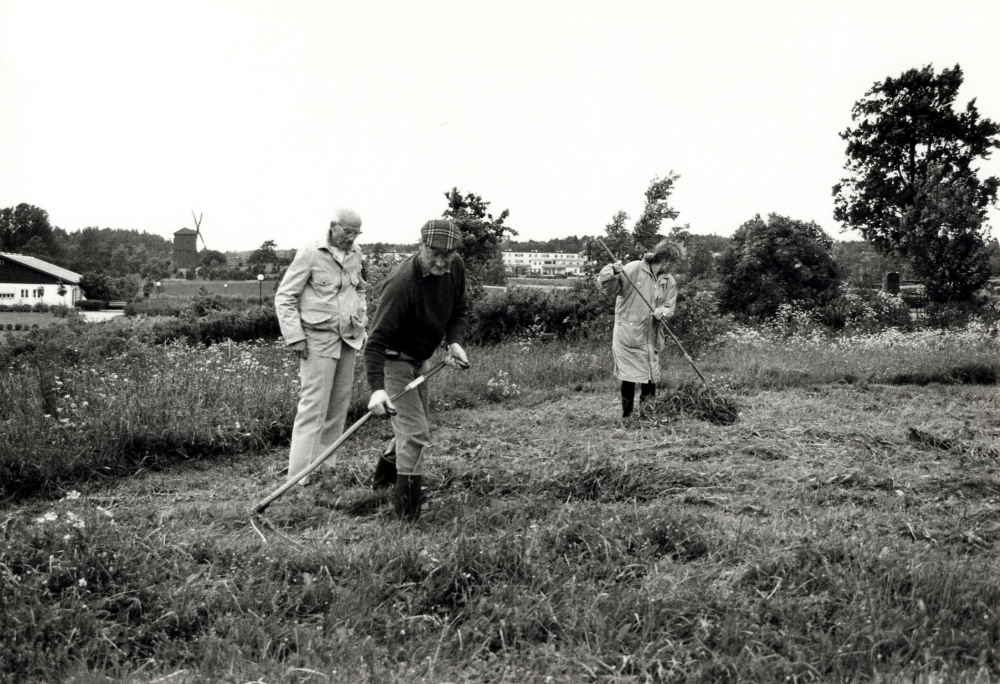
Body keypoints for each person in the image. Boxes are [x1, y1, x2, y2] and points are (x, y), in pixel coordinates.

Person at [364, 219, 470, 521]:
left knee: (413, 426)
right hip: (393, 361)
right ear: (421, 246)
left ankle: (382, 483)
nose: (440, 261)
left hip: (420, 360)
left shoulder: (455, 267)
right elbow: (375, 341)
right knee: (415, 434)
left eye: (447, 255)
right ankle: (406, 515)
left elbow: (459, 310)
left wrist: (454, 343)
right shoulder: (402, 283)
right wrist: (377, 389)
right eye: (434, 253)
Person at [275, 208, 367, 486]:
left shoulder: (356, 254)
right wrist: (296, 337)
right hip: (317, 340)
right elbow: (285, 297)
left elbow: (359, 288)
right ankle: (298, 479)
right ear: (333, 227)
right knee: (313, 409)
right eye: (346, 232)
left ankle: (326, 470)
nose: (350, 238)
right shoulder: (310, 253)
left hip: (349, 339)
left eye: (356, 233)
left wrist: (361, 315)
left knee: (338, 407)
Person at [598, 239, 684, 418]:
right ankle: (627, 416)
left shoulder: (668, 280)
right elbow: (609, 288)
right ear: (666, 259)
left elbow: (669, 305)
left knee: (650, 375)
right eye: (672, 262)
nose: (672, 267)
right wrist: (612, 271)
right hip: (628, 333)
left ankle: (647, 414)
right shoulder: (635, 268)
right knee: (629, 376)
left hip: (651, 334)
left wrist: (662, 311)